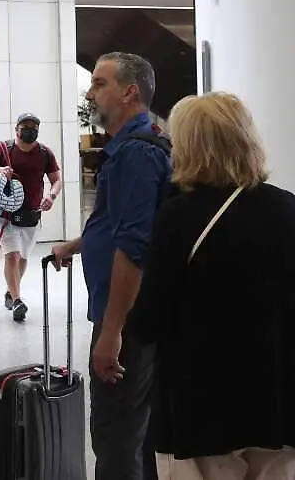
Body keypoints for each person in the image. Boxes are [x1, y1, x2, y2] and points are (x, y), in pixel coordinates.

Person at [133, 93, 295, 479]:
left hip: (202, 408)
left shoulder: (179, 216)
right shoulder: (288, 208)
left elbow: (149, 320)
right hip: (279, 402)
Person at [51, 52, 171, 480]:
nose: (91, 92)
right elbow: (119, 224)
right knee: (136, 433)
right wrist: (80, 244)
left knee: (116, 437)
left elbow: (134, 246)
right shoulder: (128, 149)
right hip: (131, 311)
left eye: (100, 83)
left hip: (128, 317)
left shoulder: (137, 154)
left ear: (129, 91)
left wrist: (112, 331)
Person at [0, 112, 62, 323]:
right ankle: (17, 300)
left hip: (32, 214)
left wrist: (51, 196)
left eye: (34, 127)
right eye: (25, 126)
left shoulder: (44, 153)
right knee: (12, 256)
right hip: (6, 215)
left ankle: (10, 291)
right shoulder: (3, 149)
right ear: (17, 129)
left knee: (23, 258)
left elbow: (57, 180)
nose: (30, 130)